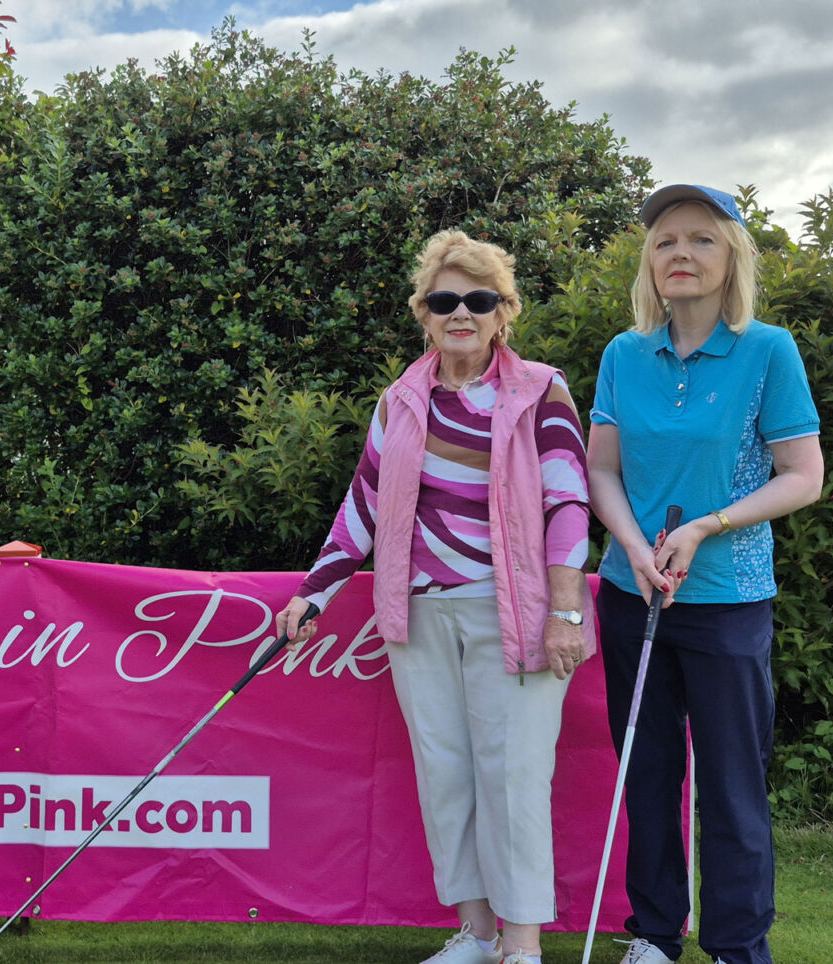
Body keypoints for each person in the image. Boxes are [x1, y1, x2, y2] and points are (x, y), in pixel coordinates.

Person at [277, 230, 594, 964]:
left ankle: (522, 947)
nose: (462, 313)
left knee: (512, 777)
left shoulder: (542, 389)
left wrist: (567, 611)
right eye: (444, 299)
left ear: (503, 312)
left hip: (513, 613)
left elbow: (568, 504)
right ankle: (476, 935)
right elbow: (362, 503)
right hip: (418, 615)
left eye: (479, 299)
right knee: (446, 776)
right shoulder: (401, 400)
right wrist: (314, 591)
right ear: (423, 313)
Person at [585, 184, 823, 964]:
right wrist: (634, 545)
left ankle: (735, 945)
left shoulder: (767, 350)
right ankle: (655, 935)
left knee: (730, 786)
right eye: (664, 242)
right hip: (633, 593)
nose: (679, 254)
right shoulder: (624, 354)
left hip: (728, 602)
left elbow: (801, 475)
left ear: (732, 259)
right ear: (648, 263)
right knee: (647, 775)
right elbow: (602, 472)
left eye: (700, 240)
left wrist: (701, 527)